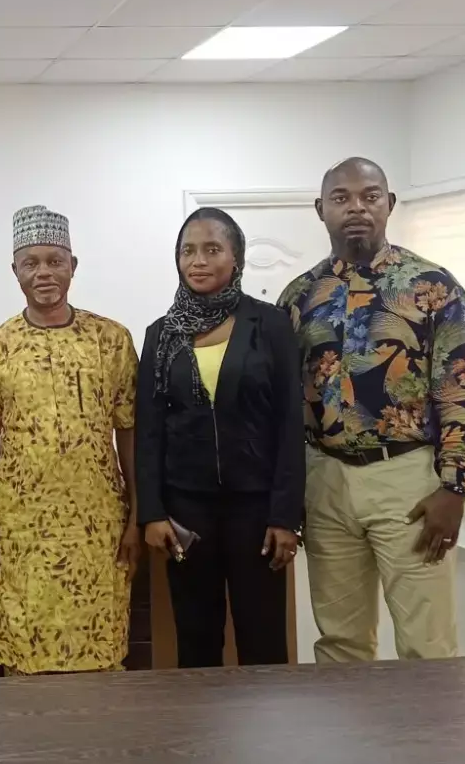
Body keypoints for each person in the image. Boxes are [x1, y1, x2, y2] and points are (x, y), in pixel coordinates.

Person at [279, 157, 465, 662]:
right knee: (340, 642)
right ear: (320, 210)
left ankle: (429, 721)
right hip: (325, 480)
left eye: (370, 196)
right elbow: (284, 402)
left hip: (408, 481)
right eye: (341, 198)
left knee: (426, 644)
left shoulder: (432, 287)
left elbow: (463, 387)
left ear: (389, 204)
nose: (357, 208)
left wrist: (454, 488)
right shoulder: (299, 296)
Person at [0, 205, 142, 676]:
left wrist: (136, 518)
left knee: (101, 654)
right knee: (24, 657)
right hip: (22, 527)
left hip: (97, 525)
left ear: (72, 266)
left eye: (55, 261)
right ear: (15, 271)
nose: (43, 273)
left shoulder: (111, 340)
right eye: (31, 263)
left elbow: (129, 431)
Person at [136, 208, 305, 668]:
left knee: (263, 637)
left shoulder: (270, 325)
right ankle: (202, 718)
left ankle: (266, 719)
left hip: (257, 511)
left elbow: (290, 423)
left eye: (212, 249)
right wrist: (152, 512)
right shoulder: (161, 335)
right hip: (186, 513)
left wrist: (286, 516)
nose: (199, 261)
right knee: (196, 638)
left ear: (236, 257)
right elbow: (148, 430)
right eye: (188, 250)